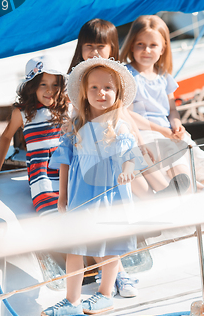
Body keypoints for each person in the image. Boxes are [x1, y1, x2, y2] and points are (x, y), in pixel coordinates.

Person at [42, 58, 145, 316]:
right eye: (94, 88)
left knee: (109, 245)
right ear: (84, 94)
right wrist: (62, 195)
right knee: (74, 247)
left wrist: (127, 170)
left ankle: (106, 293)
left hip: (108, 195)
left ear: (117, 93)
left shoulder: (119, 126)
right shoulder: (76, 127)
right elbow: (64, 162)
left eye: (108, 88)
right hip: (80, 195)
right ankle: (72, 299)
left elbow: (130, 156)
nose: (101, 93)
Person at [69, 18, 189, 199]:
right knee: (128, 167)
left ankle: (167, 193)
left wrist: (141, 142)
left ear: (111, 48)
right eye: (89, 46)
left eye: (100, 46)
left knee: (138, 155)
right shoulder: (77, 78)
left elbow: (124, 112)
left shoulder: (114, 77)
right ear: (81, 48)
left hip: (117, 137)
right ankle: (158, 199)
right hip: (95, 143)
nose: (94, 51)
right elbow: (75, 115)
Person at [120, 15, 204, 188]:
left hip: (167, 131)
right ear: (131, 45)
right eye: (140, 44)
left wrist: (176, 125)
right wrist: (164, 131)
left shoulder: (164, 76)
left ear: (163, 48)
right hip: (145, 132)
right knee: (178, 164)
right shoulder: (127, 75)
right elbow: (127, 113)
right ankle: (200, 190)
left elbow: (172, 110)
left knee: (202, 159)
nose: (146, 50)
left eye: (153, 45)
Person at [0, 55, 70, 215]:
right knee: (50, 212)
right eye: (43, 84)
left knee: (76, 209)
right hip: (41, 174)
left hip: (67, 168)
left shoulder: (66, 108)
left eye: (55, 84)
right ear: (32, 87)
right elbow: (6, 137)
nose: (50, 90)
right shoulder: (22, 113)